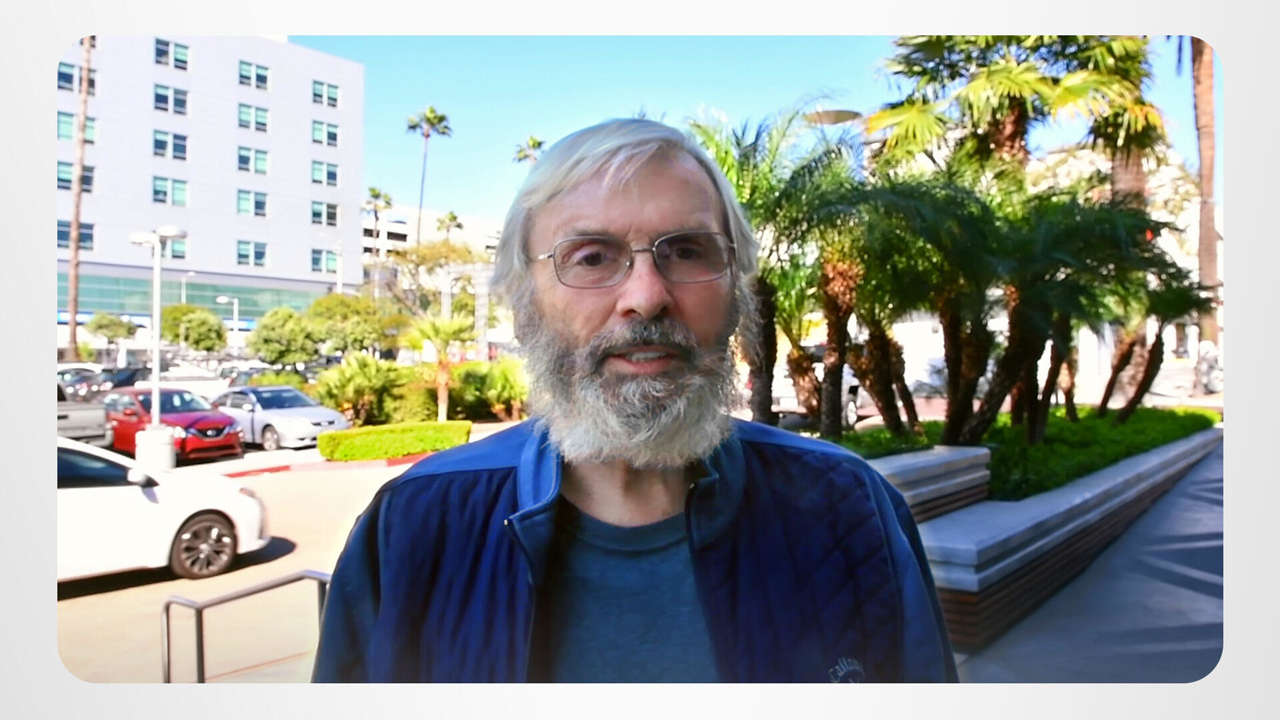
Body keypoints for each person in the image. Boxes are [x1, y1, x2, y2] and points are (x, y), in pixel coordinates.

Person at [312, 118, 957, 683]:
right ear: (524, 301)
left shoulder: (849, 509)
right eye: (592, 257)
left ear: (736, 292)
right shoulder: (416, 526)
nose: (647, 297)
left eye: (687, 251)